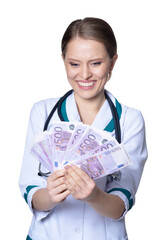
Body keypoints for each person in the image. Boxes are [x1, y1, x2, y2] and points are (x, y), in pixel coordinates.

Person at [19, 17, 148, 240]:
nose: (85, 74)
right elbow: (30, 190)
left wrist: (93, 195)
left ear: (113, 62)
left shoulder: (130, 120)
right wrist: (51, 196)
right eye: (74, 63)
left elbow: (120, 204)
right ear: (64, 61)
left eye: (96, 63)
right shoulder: (42, 112)